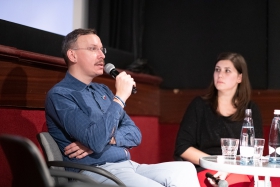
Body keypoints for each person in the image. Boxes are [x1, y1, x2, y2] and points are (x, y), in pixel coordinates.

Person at [45, 28, 200, 187]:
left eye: (101, 49)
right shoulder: (60, 95)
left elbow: (135, 134)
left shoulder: (102, 90)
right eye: (93, 49)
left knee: (185, 169)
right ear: (72, 55)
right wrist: (119, 98)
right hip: (96, 171)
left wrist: (109, 139)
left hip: (128, 165)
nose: (102, 55)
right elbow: (96, 140)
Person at [174, 52, 263, 187]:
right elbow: (183, 147)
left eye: (227, 71)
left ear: (239, 78)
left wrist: (228, 169)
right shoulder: (199, 105)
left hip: (239, 169)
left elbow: (255, 151)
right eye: (217, 70)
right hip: (205, 167)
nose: (220, 75)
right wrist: (218, 165)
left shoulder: (250, 109)